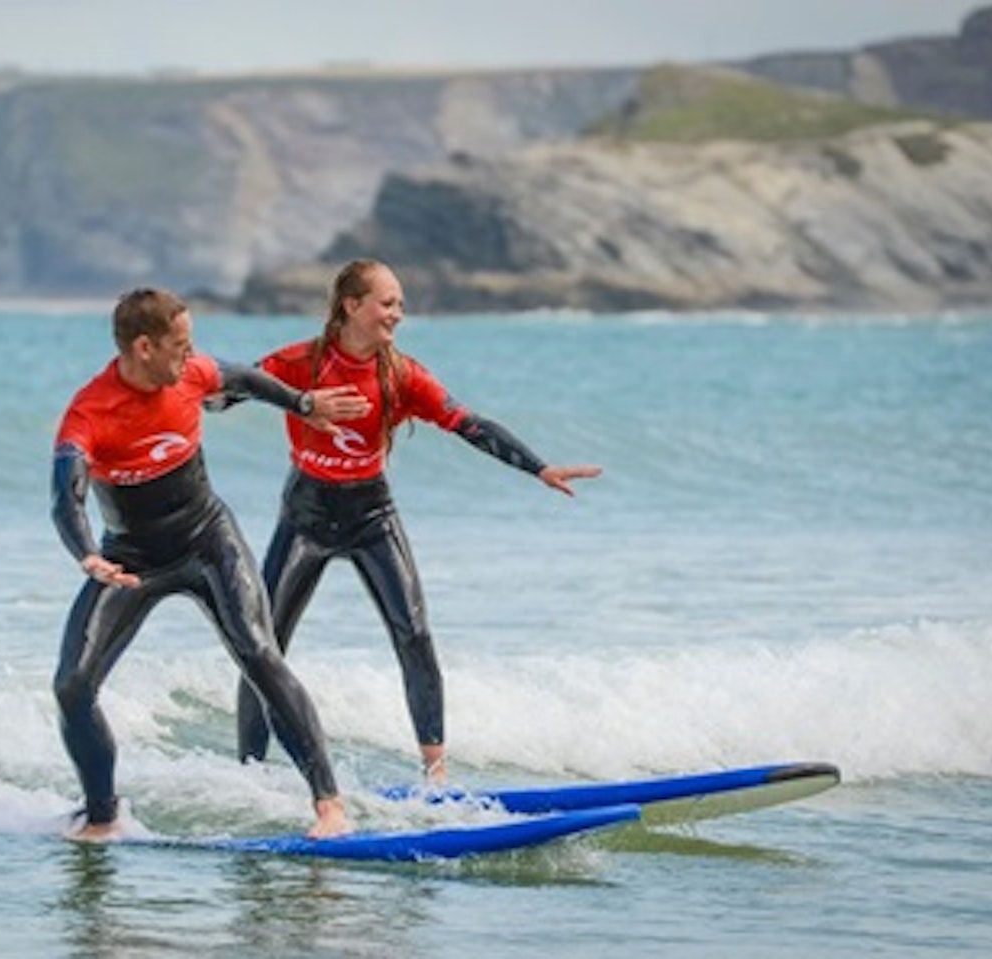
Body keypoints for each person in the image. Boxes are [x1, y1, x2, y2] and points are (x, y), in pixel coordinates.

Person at [234, 259, 602, 783]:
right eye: (388, 304)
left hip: (370, 515)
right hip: (306, 515)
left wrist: (538, 466)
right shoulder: (298, 362)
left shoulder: (402, 376)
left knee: (413, 635)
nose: (398, 315)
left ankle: (436, 775)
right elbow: (228, 391)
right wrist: (261, 399)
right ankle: (250, 773)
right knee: (264, 645)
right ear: (351, 305)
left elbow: (469, 424)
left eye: (400, 305)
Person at [50, 287, 369, 842]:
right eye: (180, 344)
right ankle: (102, 816)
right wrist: (88, 556)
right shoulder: (90, 413)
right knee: (73, 687)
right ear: (143, 347)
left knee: (258, 652)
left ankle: (329, 804)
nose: (191, 354)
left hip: (207, 542)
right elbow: (65, 498)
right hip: (130, 559)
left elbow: (244, 379)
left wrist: (304, 404)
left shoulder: (191, 374)